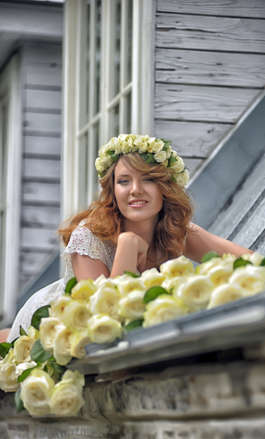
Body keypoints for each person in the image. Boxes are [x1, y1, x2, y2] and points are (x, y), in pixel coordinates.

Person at [7, 134, 250, 342]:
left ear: (165, 188)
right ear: (113, 190)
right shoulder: (89, 236)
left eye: (148, 179)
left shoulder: (177, 231)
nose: (135, 189)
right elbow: (106, 318)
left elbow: (250, 262)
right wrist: (127, 245)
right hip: (47, 329)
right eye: (124, 181)